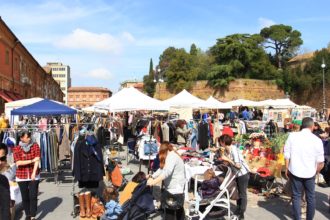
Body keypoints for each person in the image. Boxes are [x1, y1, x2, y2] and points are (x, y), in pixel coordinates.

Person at [284, 117, 324, 220]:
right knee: (310, 197)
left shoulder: (292, 136)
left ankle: (297, 218)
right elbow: (321, 162)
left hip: (295, 171)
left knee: (296, 196)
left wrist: (287, 168)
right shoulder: (317, 140)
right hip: (310, 172)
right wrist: (316, 172)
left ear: (302, 125)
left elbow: (287, 154)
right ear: (312, 127)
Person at [147, 142, 185, 220]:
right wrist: (152, 176)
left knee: (170, 212)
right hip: (176, 187)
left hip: (175, 188)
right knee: (178, 209)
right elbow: (162, 169)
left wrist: (153, 182)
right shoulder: (171, 155)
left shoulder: (172, 157)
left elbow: (166, 172)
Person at [218, 134, 249, 220]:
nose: (220, 145)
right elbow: (228, 164)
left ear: (223, 142)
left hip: (242, 174)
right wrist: (224, 158)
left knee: (242, 194)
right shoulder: (227, 150)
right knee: (238, 192)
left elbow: (238, 165)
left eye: (220, 142)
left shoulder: (234, 150)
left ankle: (241, 214)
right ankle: (238, 209)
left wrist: (227, 159)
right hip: (236, 174)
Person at [13, 131, 40, 220]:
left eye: (29, 136)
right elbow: (18, 162)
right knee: (25, 197)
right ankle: (28, 214)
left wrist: (33, 172)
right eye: (26, 137)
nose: (29, 138)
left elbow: (37, 159)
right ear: (21, 138)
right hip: (21, 175)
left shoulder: (35, 145)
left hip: (34, 174)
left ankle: (33, 216)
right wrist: (31, 160)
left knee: (33, 196)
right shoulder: (17, 148)